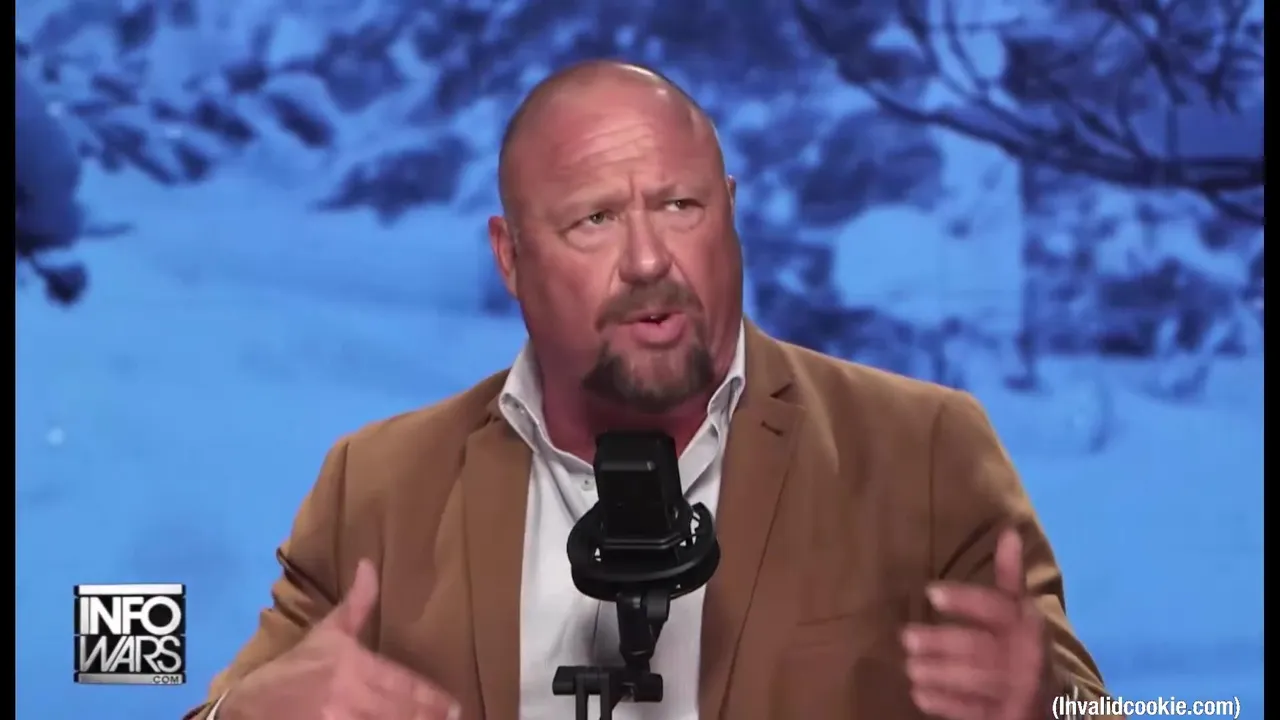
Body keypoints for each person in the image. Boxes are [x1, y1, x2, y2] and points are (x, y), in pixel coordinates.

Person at [186, 61, 1115, 720]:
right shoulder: (379, 487)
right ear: (511, 257)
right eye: (594, 219)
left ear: (731, 214)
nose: (647, 259)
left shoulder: (924, 452)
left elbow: (1093, 711)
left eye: (680, 206)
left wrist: (1046, 709)